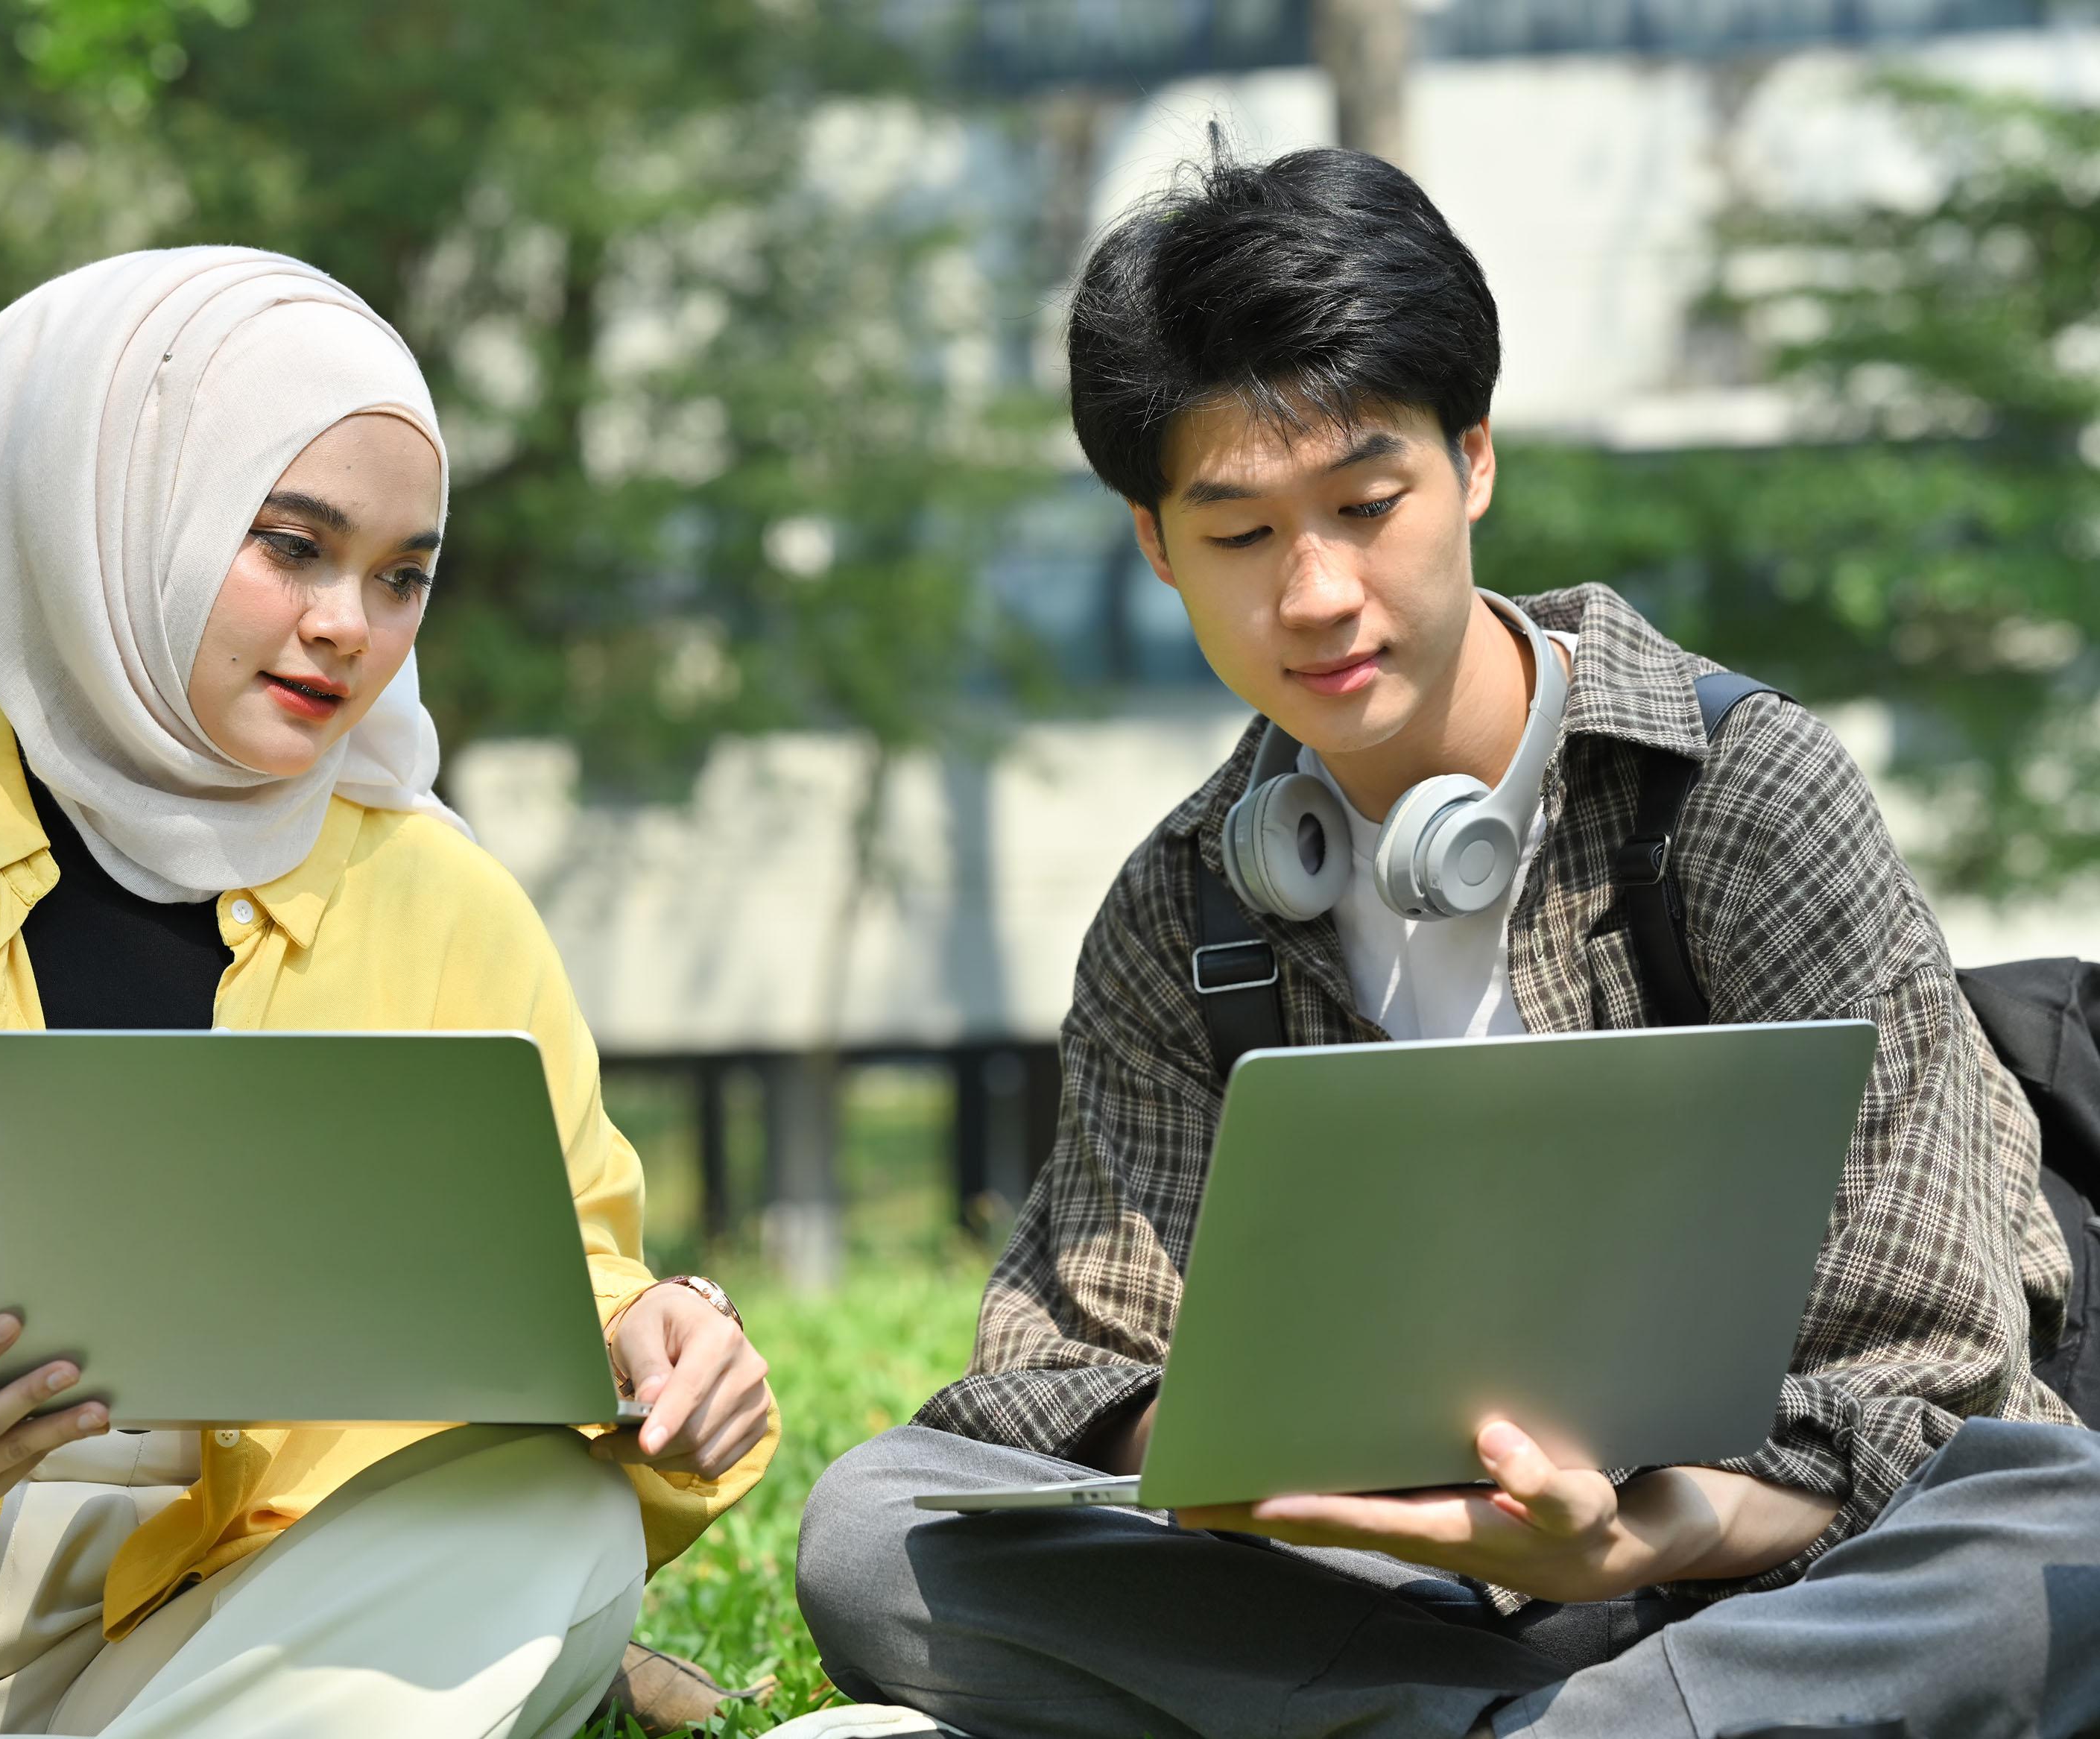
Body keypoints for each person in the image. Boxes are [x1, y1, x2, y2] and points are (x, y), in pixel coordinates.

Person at [790, 147, 2100, 1739]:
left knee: (2059, 1532)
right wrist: (1271, 1469)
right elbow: (1054, 1371)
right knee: (880, 1529)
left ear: (1471, 460)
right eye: (1239, 535)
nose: (1319, 594)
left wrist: (1643, 1525)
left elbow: (1940, 1373)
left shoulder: (1740, 798)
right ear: (1154, 550)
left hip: (1765, 1569)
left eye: (1365, 504)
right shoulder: (1178, 910)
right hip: (1383, 1585)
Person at [0, 247, 776, 1737]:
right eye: (292, 545)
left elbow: (563, 1272)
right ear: (104, 514)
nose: (348, 624)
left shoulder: (444, 900)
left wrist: (651, 1341)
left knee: (545, 1520)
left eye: (400, 575)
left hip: (249, 1623)